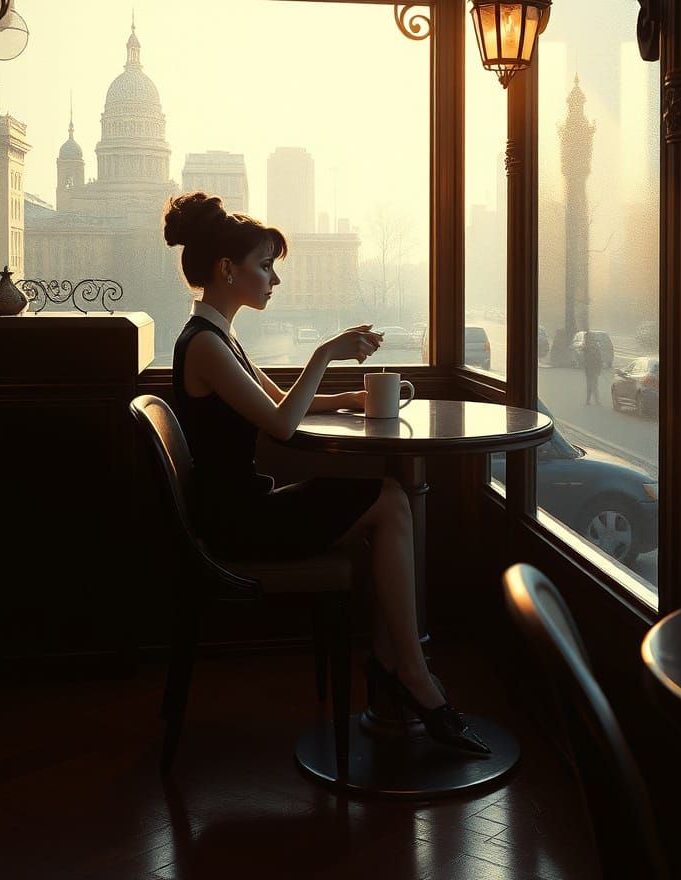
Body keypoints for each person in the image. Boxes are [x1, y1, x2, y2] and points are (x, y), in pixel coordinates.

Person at [162, 191, 488, 755]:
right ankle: (410, 673)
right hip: (239, 524)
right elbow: (284, 425)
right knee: (389, 500)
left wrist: (353, 400)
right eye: (265, 266)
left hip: (240, 510)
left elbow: (279, 403)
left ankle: (400, 667)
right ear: (226, 269)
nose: (273, 280)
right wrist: (324, 353)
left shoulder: (215, 337)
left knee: (387, 502)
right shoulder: (207, 346)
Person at [583, 330, 603, 406]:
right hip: (592, 368)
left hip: (590, 368)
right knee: (593, 385)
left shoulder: (588, 346)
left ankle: (590, 400)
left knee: (591, 384)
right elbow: (599, 358)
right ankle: (595, 400)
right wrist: (599, 368)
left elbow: (598, 358)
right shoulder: (591, 346)